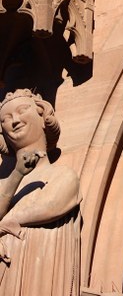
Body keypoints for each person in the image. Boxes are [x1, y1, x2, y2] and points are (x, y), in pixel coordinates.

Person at [0, 89, 81, 295]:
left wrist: (4, 225)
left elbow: (51, 205)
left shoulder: (62, 175)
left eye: (22, 111)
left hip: (41, 267)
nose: (15, 121)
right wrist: (17, 174)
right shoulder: (4, 184)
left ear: (43, 116)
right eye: (6, 119)